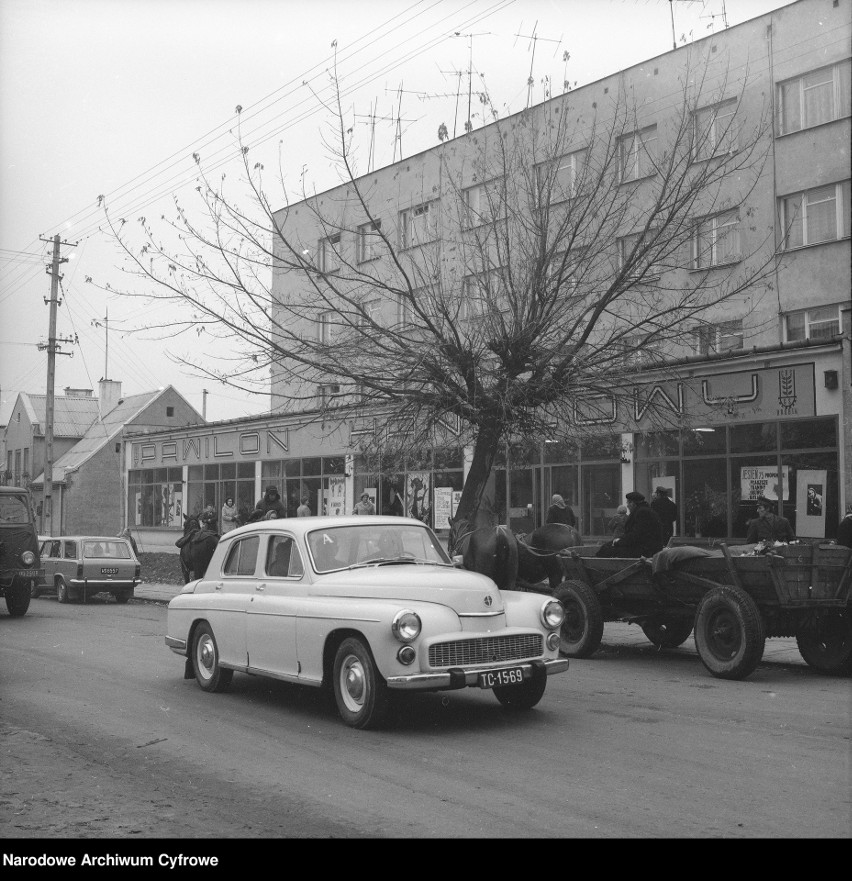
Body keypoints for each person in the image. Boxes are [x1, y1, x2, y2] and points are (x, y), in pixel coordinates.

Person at [596, 491, 664, 558]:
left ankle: (602, 568)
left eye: (627, 503)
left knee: (606, 550)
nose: (627, 506)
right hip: (648, 548)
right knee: (607, 547)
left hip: (645, 550)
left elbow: (636, 535)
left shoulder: (642, 512)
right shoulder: (645, 510)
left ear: (632, 503)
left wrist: (619, 542)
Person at [189, 511, 220, 578]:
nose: (209, 508)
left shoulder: (214, 513)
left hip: (213, 530)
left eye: (210, 507)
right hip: (206, 530)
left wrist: (209, 520)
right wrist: (207, 521)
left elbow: (216, 519)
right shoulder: (205, 514)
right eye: (208, 507)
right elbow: (203, 520)